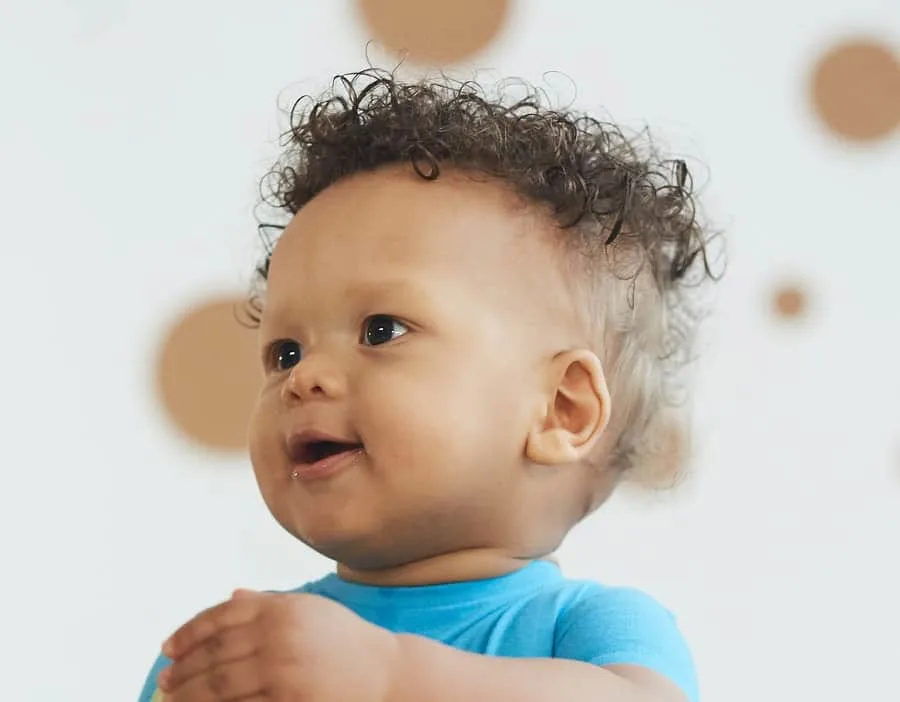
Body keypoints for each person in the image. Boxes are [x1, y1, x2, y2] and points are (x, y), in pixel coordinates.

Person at [139, 68, 721, 702]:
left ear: (560, 409)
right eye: (284, 351)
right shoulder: (243, 654)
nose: (303, 378)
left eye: (381, 329)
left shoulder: (588, 633)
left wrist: (391, 676)